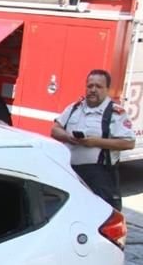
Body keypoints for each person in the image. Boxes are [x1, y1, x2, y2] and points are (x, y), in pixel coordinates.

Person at [51, 69, 135, 209]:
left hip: (100, 177)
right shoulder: (75, 108)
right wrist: (67, 137)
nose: (93, 90)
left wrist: (95, 142)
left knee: (100, 216)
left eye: (98, 86)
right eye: (90, 86)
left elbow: (129, 143)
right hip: (70, 172)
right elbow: (54, 130)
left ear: (107, 89)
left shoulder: (115, 113)